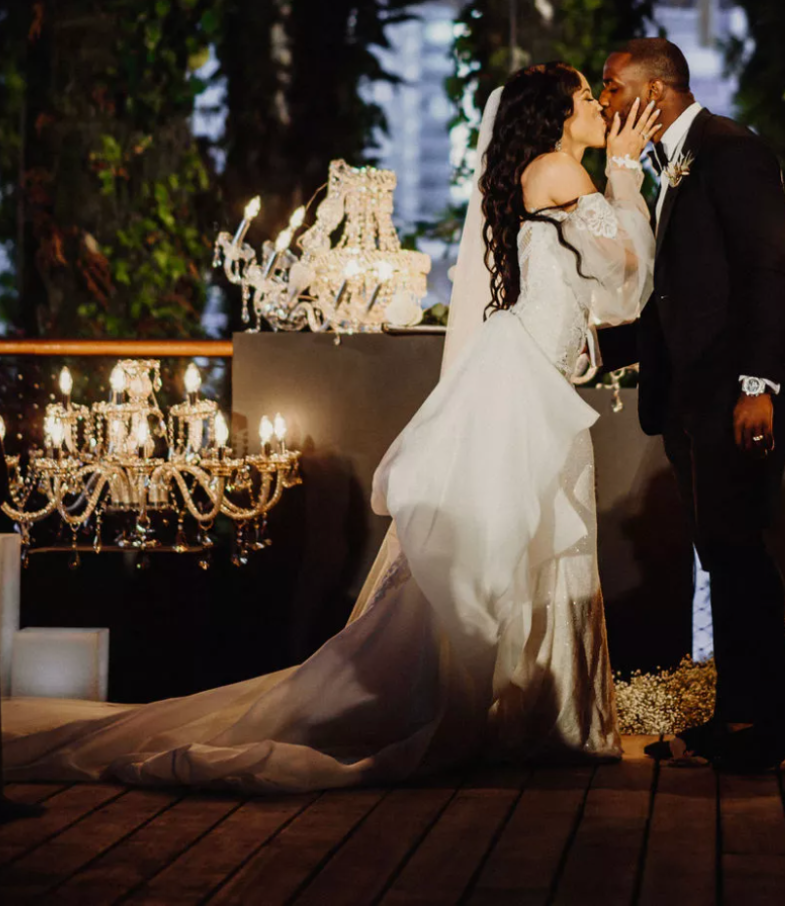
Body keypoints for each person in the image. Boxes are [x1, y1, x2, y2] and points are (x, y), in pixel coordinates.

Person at [2, 63, 656, 792]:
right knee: (530, 537)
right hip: (526, 380)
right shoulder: (561, 169)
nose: (603, 107)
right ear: (561, 113)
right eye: (589, 97)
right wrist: (625, 173)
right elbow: (628, 268)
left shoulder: (550, 172)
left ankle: (543, 713)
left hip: (532, 375)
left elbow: (611, 291)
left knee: (536, 536)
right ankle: (549, 718)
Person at [598, 38, 785, 773]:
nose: (604, 102)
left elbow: (769, 269)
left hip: (738, 388)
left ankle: (765, 721)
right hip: (691, 390)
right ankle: (753, 715)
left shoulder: (732, 151)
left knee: (734, 548)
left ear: (655, 92)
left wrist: (757, 387)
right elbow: (678, 294)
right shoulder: (667, 163)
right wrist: (592, 351)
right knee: (723, 553)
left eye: (610, 88)